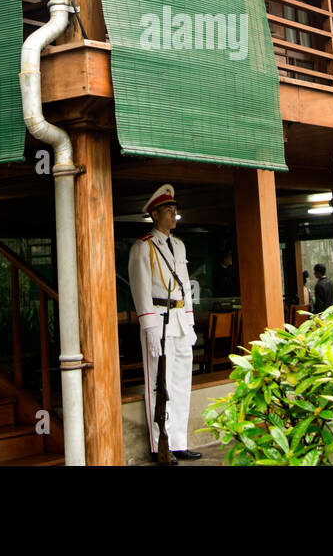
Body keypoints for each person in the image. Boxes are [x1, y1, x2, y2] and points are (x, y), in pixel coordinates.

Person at [127, 184, 201, 464]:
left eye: (174, 210)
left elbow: (184, 289)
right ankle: (161, 445)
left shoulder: (179, 245)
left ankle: (179, 441)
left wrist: (190, 324)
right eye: (168, 211)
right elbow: (140, 289)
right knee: (160, 385)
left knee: (182, 382)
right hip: (159, 320)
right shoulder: (143, 246)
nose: (174, 215)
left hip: (181, 321)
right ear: (155, 215)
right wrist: (150, 327)